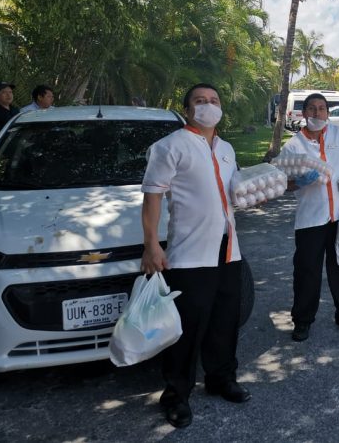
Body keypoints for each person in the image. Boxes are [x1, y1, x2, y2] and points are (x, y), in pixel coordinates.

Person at [140, 83, 250, 429]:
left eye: (214, 101)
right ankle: (176, 395)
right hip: (189, 254)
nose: (208, 106)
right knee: (186, 329)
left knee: (224, 319)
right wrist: (152, 245)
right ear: (188, 109)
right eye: (200, 101)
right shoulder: (169, 146)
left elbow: (232, 193)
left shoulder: (227, 149)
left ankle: (221, 379)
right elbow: (153, 197)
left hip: (228, 249)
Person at [281, 92, 339, 342]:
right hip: (311, 219)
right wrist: (297, 182)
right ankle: (303, 321)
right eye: (311, 108)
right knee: (307, 270)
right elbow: (284, 184)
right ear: (304, 113)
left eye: (321, 108)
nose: (317, 113)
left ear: (327, 113)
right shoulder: (294, 146)